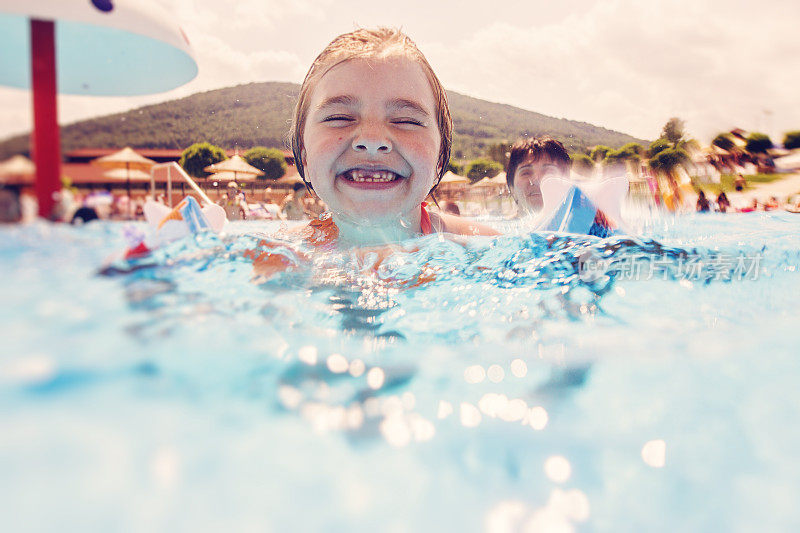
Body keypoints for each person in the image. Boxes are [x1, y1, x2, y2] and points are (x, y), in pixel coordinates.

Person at [288, 27, 498, 246]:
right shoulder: (273, 261)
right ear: (304, 158)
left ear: (439, 159)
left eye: (406, 121)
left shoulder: (488, 251)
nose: (372, 140)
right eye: (339, 117)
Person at [505, 137, 571, 213]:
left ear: (565, 183)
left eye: (548, 172)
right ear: (511, 188)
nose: (537, 180)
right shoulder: (495, 224)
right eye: (526, 173)